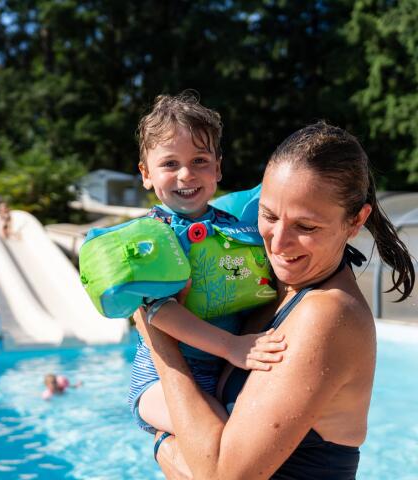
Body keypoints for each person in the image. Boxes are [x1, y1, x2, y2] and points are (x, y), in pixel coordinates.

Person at [135, 121, 415, 479]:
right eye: (268, 216)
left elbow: (223, 475)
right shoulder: (273, 286)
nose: (278, 244)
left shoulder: (327, 314)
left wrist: (156, 332)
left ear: (356, 221)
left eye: (306, 227)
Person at [129, 91, 286, 435]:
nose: (186, 174)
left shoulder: (234, 224)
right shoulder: (153, 237)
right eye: (170, 164)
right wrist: (231, 346)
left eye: (200, 161)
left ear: (217, 168)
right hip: (160, 376)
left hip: (222, 369)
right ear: (146, 173)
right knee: (219, 439)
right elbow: (159, 312)